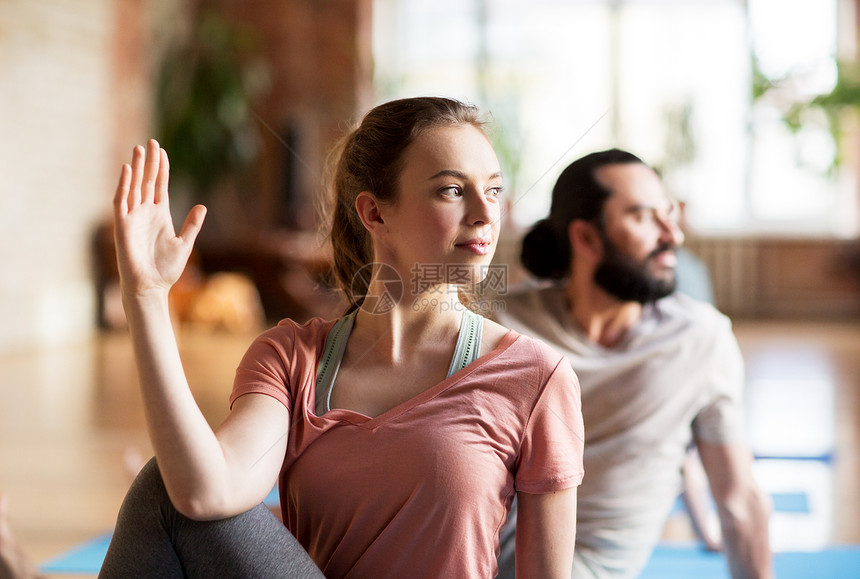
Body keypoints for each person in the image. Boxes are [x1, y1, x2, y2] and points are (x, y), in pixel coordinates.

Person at [98, 97, 585, 578]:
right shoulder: (291, 358)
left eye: (494, 191)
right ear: (374, 214)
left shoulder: (535, 377)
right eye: (453, 191)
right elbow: (207, 490)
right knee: (162, 485)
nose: (485, 214)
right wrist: (146, 296)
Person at [494, 149, 772, 578]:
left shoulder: (699, 339)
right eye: (645, 217)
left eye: (669, 215)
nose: (672, 235)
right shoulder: (502, 325)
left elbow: (738, 500)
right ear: (586, 238)